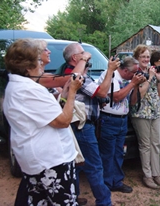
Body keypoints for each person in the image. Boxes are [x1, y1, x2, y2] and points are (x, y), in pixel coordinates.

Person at [3, 38, 82, 205]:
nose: (42, 62)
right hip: (50, 162)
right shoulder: (28, 90)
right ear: (28, 65)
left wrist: (65, 94)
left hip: (39, 160)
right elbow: (63, 121)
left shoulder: (21, 86)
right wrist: (73, 92)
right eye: (39, 59)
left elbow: (47, 111)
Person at [61, 43, 119, 206]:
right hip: (82, 126)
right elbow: (101, 92)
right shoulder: (78, 76)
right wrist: (110, 70)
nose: (88, 55)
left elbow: (97, 96)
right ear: (75, 58)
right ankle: (104, 201)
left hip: (75, 124)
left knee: (76, 164)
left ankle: (73, 196)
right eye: (83, 53)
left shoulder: (69, 72)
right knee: (94, 166)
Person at [97, 57, 144, 193]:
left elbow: (133, 102)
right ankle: (106, 184)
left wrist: (135, 86)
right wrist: (132, 84)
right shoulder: (110, 75)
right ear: (124, 70)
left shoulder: (129, 80)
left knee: (119, 153)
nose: (134, 75)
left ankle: (116, 181)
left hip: (122, 119)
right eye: (133, 72)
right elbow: (116, 97)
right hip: (109, 119)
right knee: (107, 154)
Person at [130, 46, 160, 189]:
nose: (146, 59)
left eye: (147, 57)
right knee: (145, 145)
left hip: (155, 111)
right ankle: (148, 175)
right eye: (142, 57)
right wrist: (150, 77)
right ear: (137, 58)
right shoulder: (136, 73)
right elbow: (139, 94)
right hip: (141, 113)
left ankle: (157, 174)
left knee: (156, 143)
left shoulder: (151, 71)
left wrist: (158, 80)